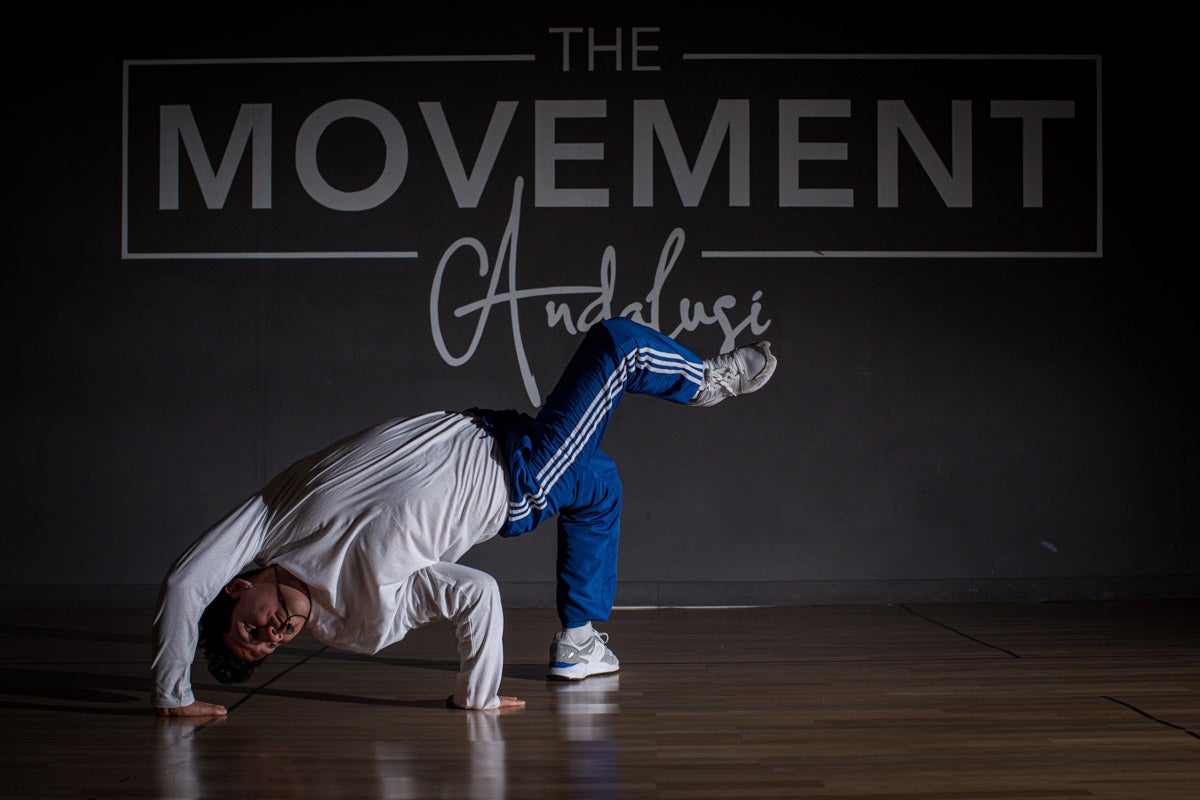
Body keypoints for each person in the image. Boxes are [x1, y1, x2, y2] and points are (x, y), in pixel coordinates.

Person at [151, 318, 777, 716]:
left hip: (494, 429)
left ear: (238, 585)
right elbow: (475, 591)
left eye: (251, 628)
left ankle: (579, 641)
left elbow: (184, 583)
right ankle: (707, 384)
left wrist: (170, 693)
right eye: (268, 649)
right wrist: (475, 695)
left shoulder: (271, 520)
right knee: (617, 348)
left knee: (601, 489)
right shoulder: (359, 622)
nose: (273, 636)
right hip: (519, 477)